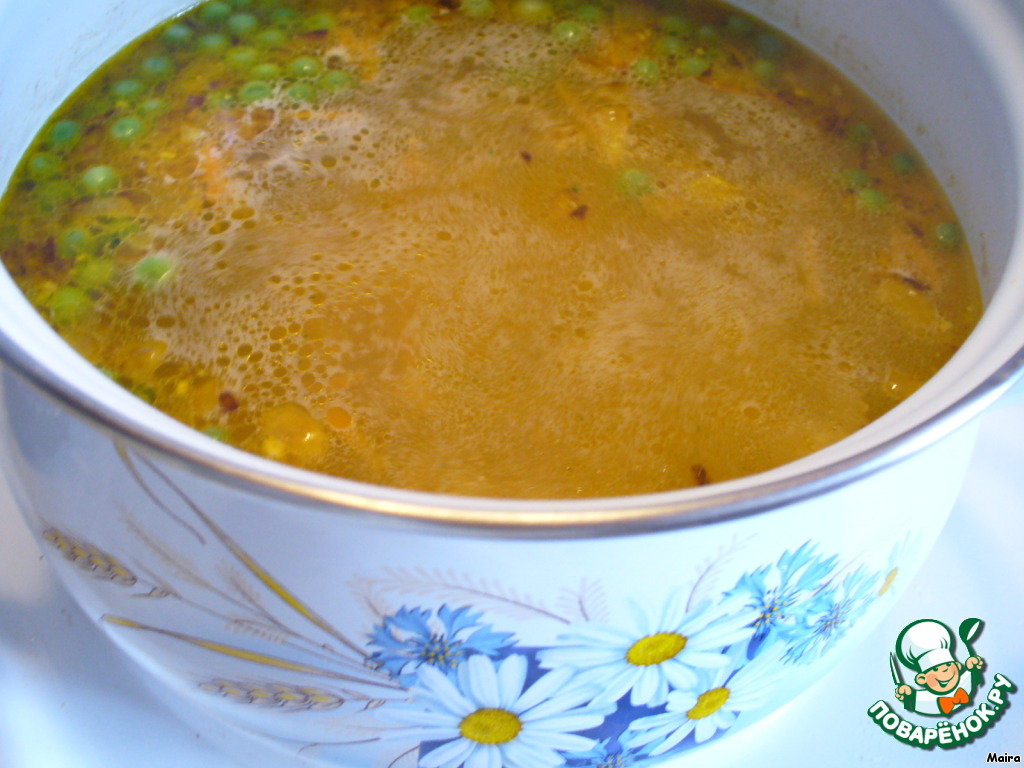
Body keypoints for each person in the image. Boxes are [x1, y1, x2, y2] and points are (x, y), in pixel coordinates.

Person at [894, 619, 984, 716]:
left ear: (958, 666)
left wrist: (973, 667)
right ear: (921, 679)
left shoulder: (966, 682)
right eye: (936, 669)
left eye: (948, 665)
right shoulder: (924, 700)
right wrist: (908, 695)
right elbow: (913, 701)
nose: (945, 671)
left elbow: (973, 677)